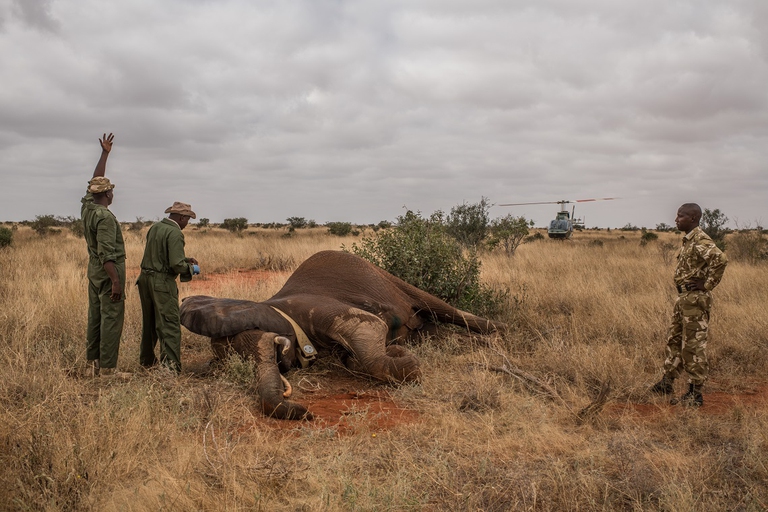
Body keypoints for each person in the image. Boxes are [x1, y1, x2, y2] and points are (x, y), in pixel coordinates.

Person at [650, 203, 728, 406]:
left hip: (695, 299)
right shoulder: (688, 240)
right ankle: (667, 382)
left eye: (680, 216)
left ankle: (695, 393)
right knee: (674, 340)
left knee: (693, 344)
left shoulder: (700, 239)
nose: (676, 219)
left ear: (693, 218)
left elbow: (720, 259)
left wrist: (707, 284)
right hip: (684, 298)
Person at [81, 133, 126, 377]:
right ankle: (108, 370)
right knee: (111, 318)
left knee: (95, 316)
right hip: (108, 270)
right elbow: (107, 253)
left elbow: (93, 182)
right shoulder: (105, 217)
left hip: (94, 270)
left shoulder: (88, 208)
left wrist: (105, 154)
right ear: (108, 195)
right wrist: (116, 282)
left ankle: (92, 366)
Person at [136, 202, 200, 373]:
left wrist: (184, 259)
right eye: (187, 219)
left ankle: (147, 362)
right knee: (169, 324)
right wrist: (190, 268)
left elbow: (160, 255)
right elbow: (175, 265)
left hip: (144, 279)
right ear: (181, 217)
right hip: (161, 282)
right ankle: (170, 368)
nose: (187, 223)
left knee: (149, 323)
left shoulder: (156, 227)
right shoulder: (175, 233)